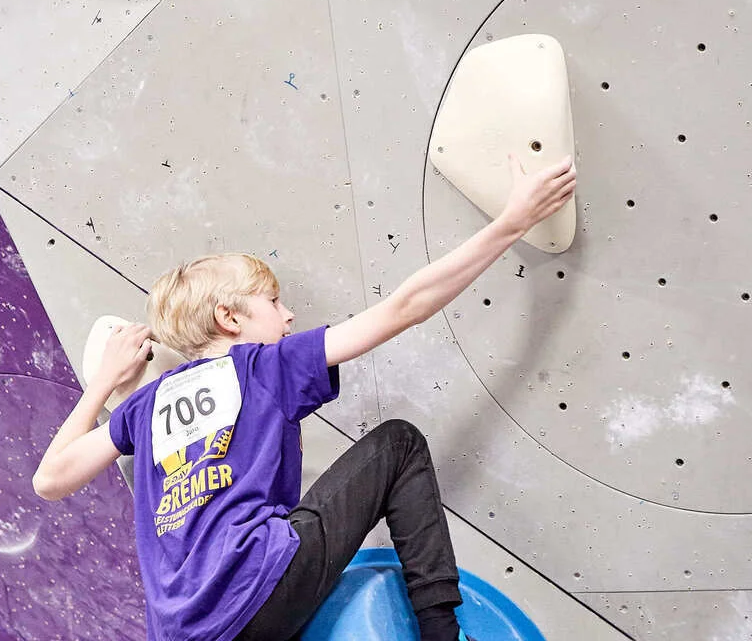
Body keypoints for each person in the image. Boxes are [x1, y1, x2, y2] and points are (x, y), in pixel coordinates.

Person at [33, 155, 577, 641]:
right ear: (230, 317)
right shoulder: (264, 366)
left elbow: (49, 480)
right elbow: (404, 307)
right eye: (273, 301)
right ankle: (442, 634)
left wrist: (104, 383)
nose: (288, 314)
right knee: (398, 445)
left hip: (183, 631)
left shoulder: (145, 407)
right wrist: (512, 223)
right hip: (261, 593)